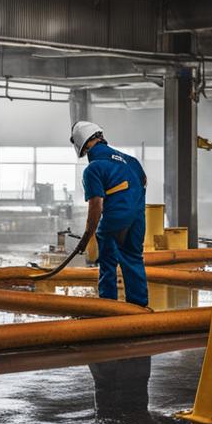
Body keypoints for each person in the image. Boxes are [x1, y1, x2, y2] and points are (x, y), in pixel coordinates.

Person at [72, 121, 149, 308]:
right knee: (133, 260)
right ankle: (139, 311)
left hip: (115, 219)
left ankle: (108, 311)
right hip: (138, 218)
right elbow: (143, 182)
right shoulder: (132, 161)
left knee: (108, 263)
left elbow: (96, 205)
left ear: (84, 146)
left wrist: (86, 237)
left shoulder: (94, 168)